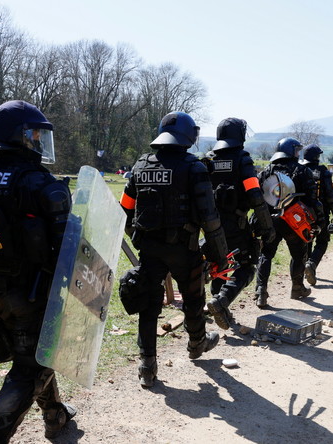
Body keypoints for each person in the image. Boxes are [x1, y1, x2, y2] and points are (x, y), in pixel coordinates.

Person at [0, 100, 74, 443]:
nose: (41, 143)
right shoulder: (42, 184)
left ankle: (55, 415)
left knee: (38, 354)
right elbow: (67, 250)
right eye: (36, 135)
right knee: (31, 367)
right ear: (21, 137)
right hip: (35, 291)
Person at [119, 111, 228, 388]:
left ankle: (147, 365)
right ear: (188, 136)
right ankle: (196, 344)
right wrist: (219, 257)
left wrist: (138, 238)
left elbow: (124, 210)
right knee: (193, 296)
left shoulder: (141, 165)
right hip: (184, 247)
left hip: (150, 250)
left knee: (148, 303)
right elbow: (210, 217)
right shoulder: (194, 167)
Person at [203, 118, 275, 331]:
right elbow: (255, 196)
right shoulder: (242, 160)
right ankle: (221, 301)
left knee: (218, 266)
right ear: (239, 136)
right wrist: (267, 226)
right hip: (236, 224)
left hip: (210, 226)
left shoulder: (208, 160)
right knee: (246, 266)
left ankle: (220, 306)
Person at [254, 137, 322, 307]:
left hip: (270, 220)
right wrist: (318, 221)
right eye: (297, 150)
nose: (299, 153)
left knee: (266, 254)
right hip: (294, 221)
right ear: (291, 151)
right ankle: (297, 289)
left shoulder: (265, 171)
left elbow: (258, 198)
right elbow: (313, 200)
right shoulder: (303, 171)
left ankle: (260, 292)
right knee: (299, 255)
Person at [301, 144, 333, 286]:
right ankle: (311, 264)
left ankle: (301, 271)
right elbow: (330, 196)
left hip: (301, 212)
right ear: (316, 157)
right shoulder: (323, 171)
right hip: (321, 213)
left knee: (306, 240)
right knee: (322, 241)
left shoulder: (299, 169)